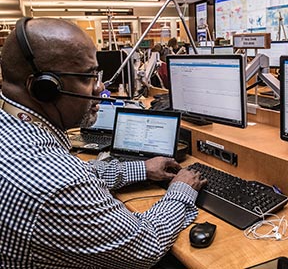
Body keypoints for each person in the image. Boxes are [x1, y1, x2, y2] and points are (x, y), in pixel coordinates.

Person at [0, 17, 206, 268]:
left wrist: (142, 169)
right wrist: (181, 190)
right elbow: (146, 245)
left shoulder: (15, 129)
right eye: (88, 77)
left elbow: (83, 173)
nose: (101, 89)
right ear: (44, 88)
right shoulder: (58, 182)